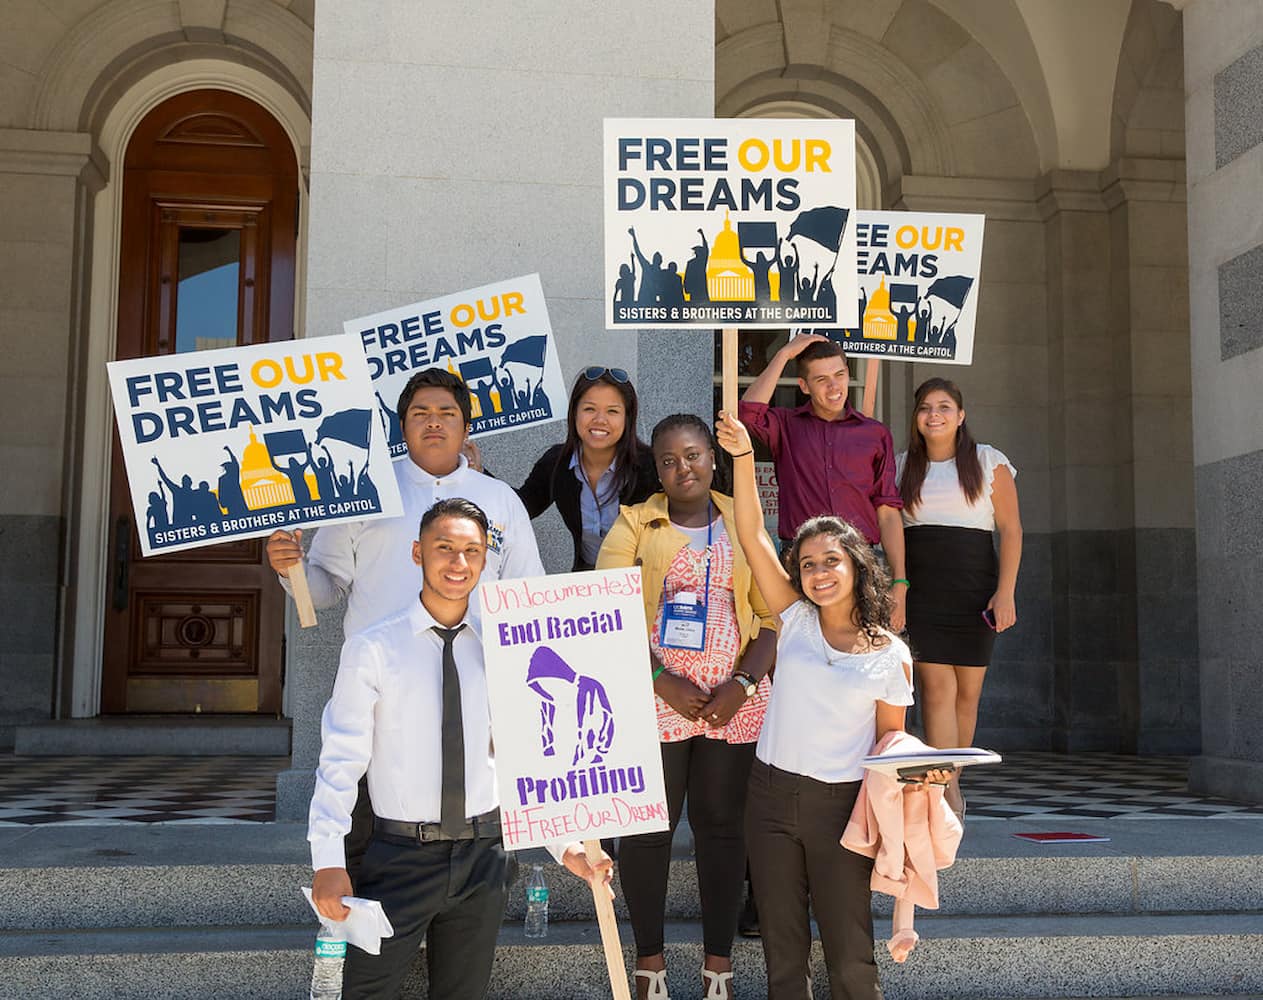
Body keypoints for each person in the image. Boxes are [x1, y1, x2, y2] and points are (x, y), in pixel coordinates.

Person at [309, 498, 612, 1000]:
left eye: (472, 551)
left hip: (484, 857)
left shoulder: (507, 648)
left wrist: (565, 846)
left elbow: (527, 752)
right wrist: (327, 857)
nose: (458, 563)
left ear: (485, 560)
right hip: (400, 856)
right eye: (444, 548)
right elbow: (341, 759)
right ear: (416, 552)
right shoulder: (372, 648)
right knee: (363, 992)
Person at [267, 368, 545, 882]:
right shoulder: (364, 490)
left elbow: (527, 599)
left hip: (474, 688)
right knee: (369, 822)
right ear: (401, 425)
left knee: (472, 824)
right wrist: (293, 569)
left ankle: (458, 925)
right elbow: (327, 586)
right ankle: (366, 930)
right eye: (420, 414)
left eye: (447, 414)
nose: (433, 423)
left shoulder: (501, 500)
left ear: (467, 426)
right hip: (381, 686)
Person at [715, 410, 949, 1000]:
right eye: (809, 564)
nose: (819, 573)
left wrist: (923, 777)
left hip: (842, 808)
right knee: (782, 950)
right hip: (768, 798)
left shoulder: (890, 654)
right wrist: (745, 458)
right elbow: (752, 535)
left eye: (832, 561)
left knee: (849, 952)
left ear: (856, 567)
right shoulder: (792, 622)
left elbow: (888, 747)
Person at [596, 414, 778, 1000]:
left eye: (694, 455)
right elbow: (605, 612)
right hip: (656, 696)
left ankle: (717, 967)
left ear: (713, 459)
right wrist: (658, 679)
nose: (683, 468)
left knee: (722, 831)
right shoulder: (633, 524)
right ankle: (650, 963)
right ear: (657, 468)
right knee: (648, 831)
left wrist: (743, 685)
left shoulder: (742, 521)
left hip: (732, 702)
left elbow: (776, 616)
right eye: (670, 460)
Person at [896, 378, 1021, 817]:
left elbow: (1012, 530)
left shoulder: (988, 462)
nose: (935, 415)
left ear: (960, 415)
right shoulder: (900, 466)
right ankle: (942, 793)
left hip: (976, 594)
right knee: (936, 688)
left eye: (944, 407)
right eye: (926, 408)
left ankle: (952, 781)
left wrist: (1004, 593)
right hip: (924, 592)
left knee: (968, 693)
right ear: (916, 417)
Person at [738, 332, 908, 631]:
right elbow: (748, 414)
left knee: (860, 653)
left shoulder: (875, 433)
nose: (834, 387)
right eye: (821, 379)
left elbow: (887, 510)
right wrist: (784, 355)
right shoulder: (786, 425)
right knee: (799, 650)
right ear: (803, 386)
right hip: (801, 560)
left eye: (840, 375)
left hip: (861, 560)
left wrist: (900, 581)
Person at [515, 367, 657, 572]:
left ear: (628, 417)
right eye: (589, 409)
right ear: (574, 413)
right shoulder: (557, 462)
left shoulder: (651, 465)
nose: (600, 419)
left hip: (644, 582)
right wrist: (478, 471)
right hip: (588, 586)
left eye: (613, 411)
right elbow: (521, 507)